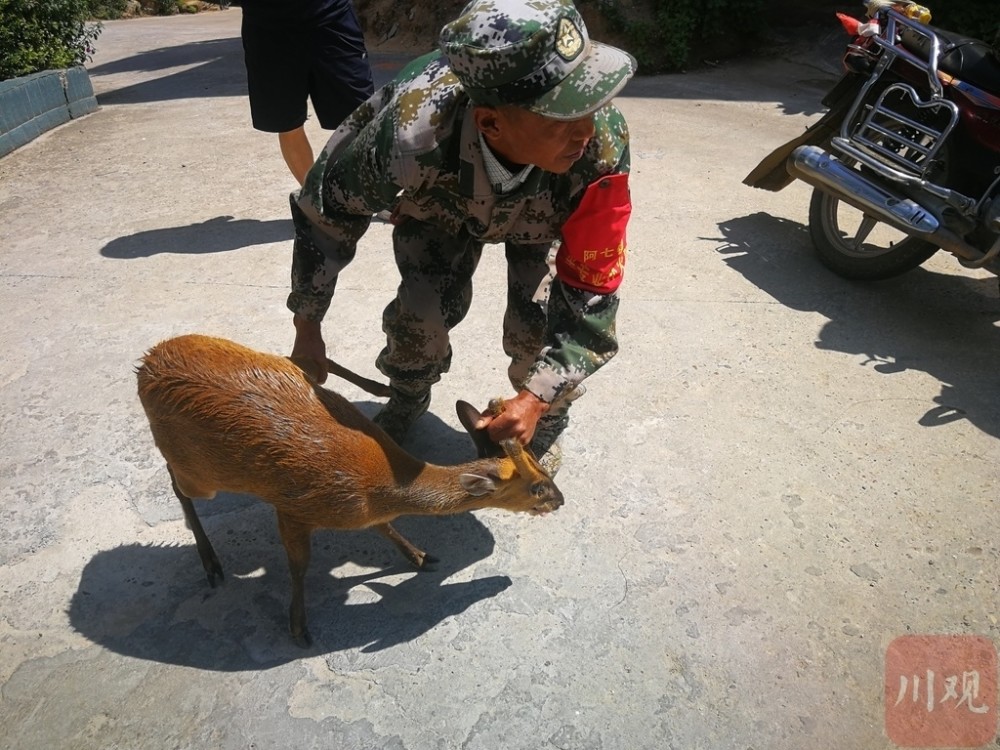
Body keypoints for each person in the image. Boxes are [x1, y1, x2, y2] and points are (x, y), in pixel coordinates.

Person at [288, 0, 636, 476]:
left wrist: (536, 399)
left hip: (543, 215)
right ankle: (408, 394)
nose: (588, 128)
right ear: (491, 122)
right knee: (420, 319)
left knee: (536, 326)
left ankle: (545, 419)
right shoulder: (410, 135)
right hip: (443, 209)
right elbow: (326, 214)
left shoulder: (599, 151)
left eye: (591, 102)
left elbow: (593, 293)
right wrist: (308, 327)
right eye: (563, 116)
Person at [239, 0, 375, 185]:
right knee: (288, 123)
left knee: (361, 116)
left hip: (331, 17)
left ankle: (371, 196)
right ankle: (316, 200)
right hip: (266, 26)